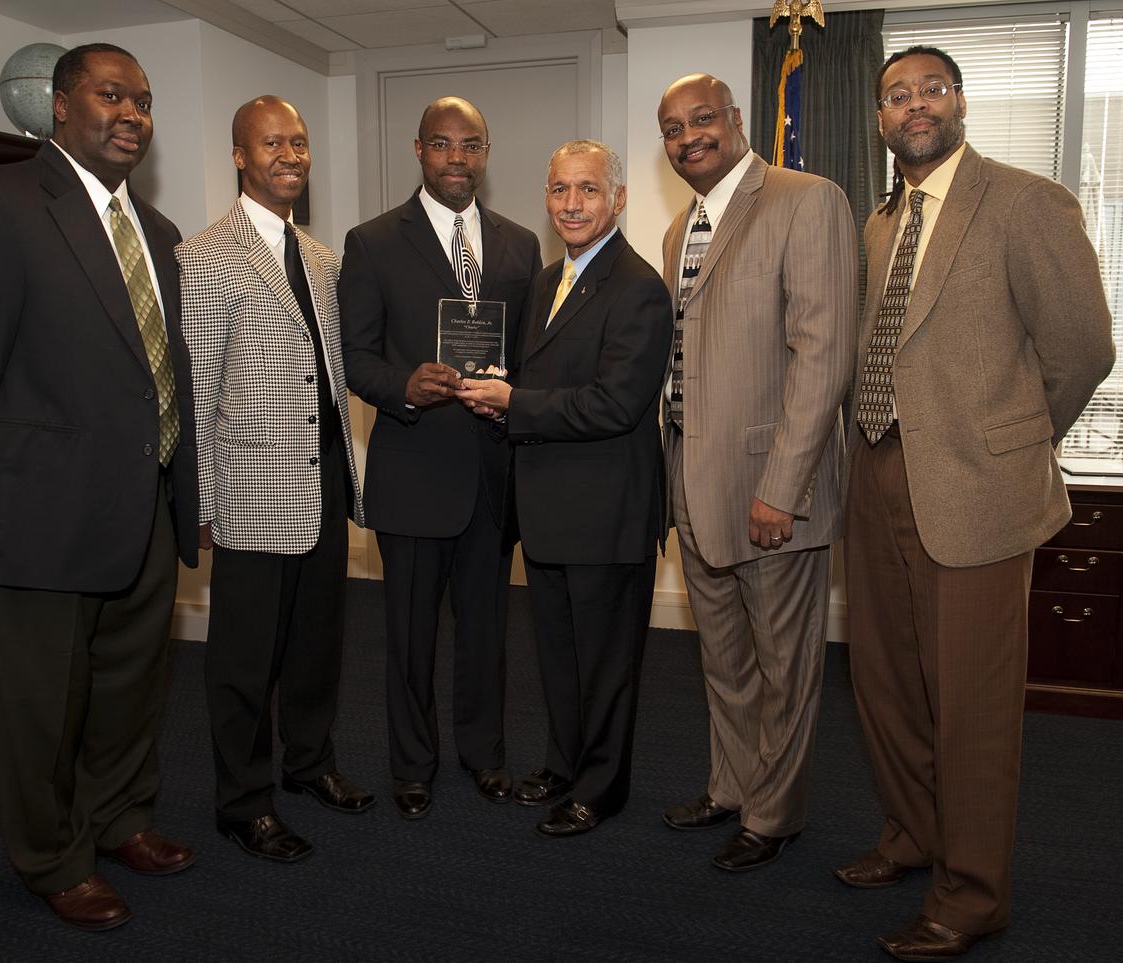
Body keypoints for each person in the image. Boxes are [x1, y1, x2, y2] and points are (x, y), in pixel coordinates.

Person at [0, 44, 198, 931]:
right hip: (39, 509)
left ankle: (118, 819)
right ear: (60, 105)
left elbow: (158, 369)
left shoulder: (156, 231)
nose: (132, 114)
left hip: (144, 501)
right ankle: (50, 857)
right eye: (112, 95)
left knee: (129, 685)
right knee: (42, 700)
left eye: (144, 102)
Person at [836, 47, 1114, 960]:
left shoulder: (1026, 203)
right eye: (896, 95)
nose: (915, 105)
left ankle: (974, 894)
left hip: (978, 492)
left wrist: (1011, 445)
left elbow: (1081, 350)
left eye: (932, 89)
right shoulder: (880, 222)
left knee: (973, 705)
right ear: (879, 118)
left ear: (961, 102)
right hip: (876, 474)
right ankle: (915, 837)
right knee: (888, 682)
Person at [655, 73, 857, 870]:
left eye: (703, 119)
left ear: (737, 120)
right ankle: (732, 785)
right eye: (673, 128)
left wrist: (784, 486)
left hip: (771, 488)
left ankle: (774, 814)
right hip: (694, 482)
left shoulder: (807, 200)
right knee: (724, 658)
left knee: (783, 664)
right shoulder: (680, 230)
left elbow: (823, 353)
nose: (689, 136)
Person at [178, 96, 373, 864]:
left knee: (317, 644)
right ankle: (242, 802)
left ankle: (310, 763)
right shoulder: (204, 257)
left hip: (324, 481)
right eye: (272, 143)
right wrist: (197, 501)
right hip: (250, 492)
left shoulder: (322, 259)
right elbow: (195, 391)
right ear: (239, 155)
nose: (290, 155)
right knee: (243, 660)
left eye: (299, 141)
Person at [457, 140, 672, 836]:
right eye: (558, 190)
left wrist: (512, 401)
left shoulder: (639, 286)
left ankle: (602, 786)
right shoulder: (548, 280)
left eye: (586, 190)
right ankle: (563, 758)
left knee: (607, 664)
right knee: (557, 652)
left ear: (617, 198)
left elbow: (615, 404)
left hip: (608, 509)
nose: (571, 205)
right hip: (548, 507)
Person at [339, 96, 541, 819]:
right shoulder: (370, 243)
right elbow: (354, 357)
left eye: (472, 145)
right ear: (419, 150)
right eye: (444, 145)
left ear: (486, 153)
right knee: (409, 637)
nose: (458, 158)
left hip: (492, 473)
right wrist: (404, 385)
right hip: (414, 466)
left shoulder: (521, 245)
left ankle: (485, 756)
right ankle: (412, 766)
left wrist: (516, 391)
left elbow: (530, 357)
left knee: (486, 633)